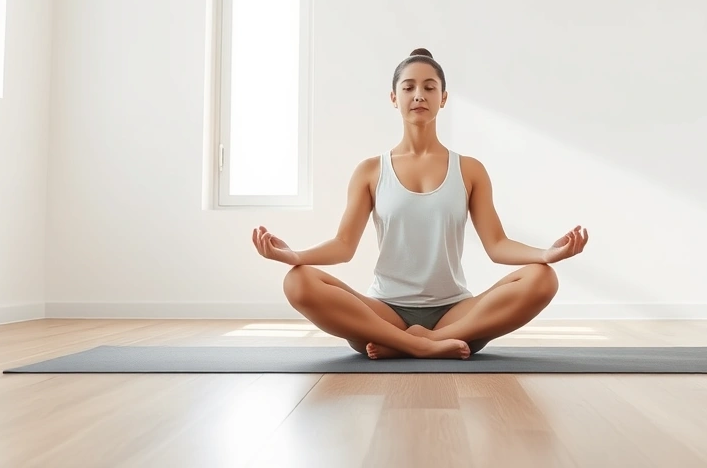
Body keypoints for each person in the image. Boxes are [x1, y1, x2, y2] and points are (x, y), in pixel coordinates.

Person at [251, 48, 588, 360]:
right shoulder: (371, 170)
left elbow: (497, 245)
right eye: (409, 87)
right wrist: (294, 256)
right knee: (296, 281)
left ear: (443, 99)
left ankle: (414, 343)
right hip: (383, 314)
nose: (419, 95)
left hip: (455, 314)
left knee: (543, 278)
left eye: (429, 87)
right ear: (394, 97)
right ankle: (418, 344)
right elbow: (343, 245)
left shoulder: (469, 169)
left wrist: (546, 254)